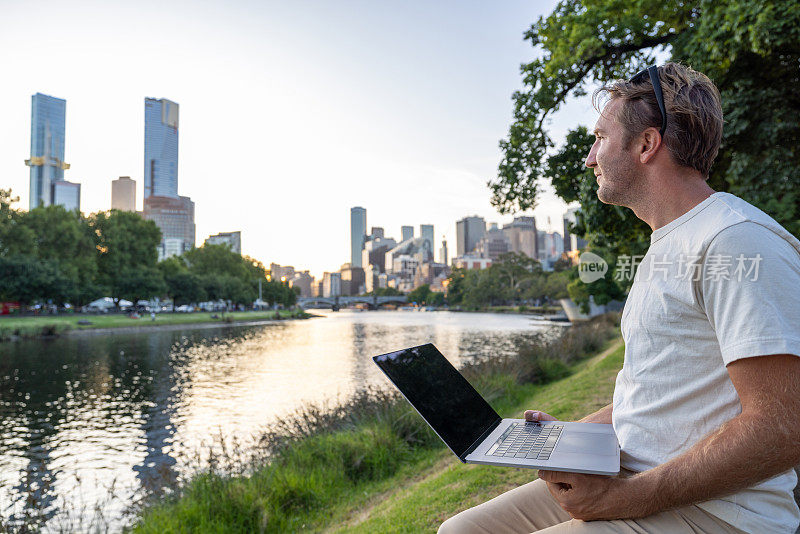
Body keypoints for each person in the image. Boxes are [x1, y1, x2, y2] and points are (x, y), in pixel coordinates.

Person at [439, 62, 800, 533]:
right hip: (631, 471)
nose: (589, 159)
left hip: (716, 511)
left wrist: (627, 498)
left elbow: (783, 424)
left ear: (647, 145)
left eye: (599, 139)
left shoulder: (734, 240)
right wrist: (560, 439)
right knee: (460, 531)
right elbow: (660, 394)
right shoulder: (667, 244)